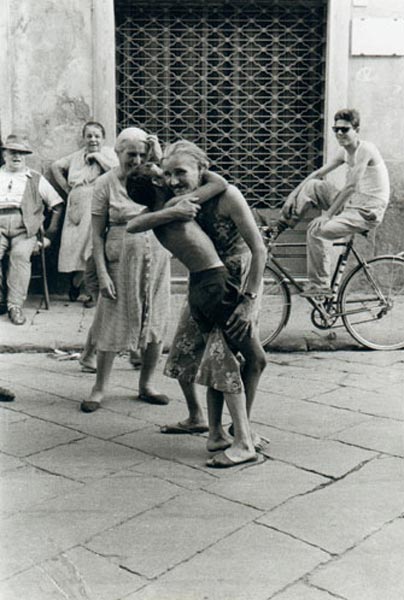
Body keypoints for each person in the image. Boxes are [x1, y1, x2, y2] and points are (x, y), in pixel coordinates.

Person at [126, 141, 267, 468]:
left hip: (232, 285)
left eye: (181, 172)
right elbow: (188, 184)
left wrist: (250, 300)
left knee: (242, 359)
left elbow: (258, 248)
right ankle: (238, 437)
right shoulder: (176, 204)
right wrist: (173, 203)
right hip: (213, 287)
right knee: (221, 360)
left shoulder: (205, 199)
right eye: (169, 174)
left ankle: (221, 432)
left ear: (200, 170)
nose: (173, 179)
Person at [80, 128, 226, 413]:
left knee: (156, 320)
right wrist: (102, 272)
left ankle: (146, 384)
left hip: (156, 258)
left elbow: (197, 181)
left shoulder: (158, 179)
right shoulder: (105, 183)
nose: (135, 159)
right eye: (129, 154)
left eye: (139, 153)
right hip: (119, 260)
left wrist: (159, 157)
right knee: (111, 321)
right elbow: (96, 234)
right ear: (117, 153)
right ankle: (99, 388)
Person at [268, 108, 390, 297]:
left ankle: (320, 285)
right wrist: (293, 194)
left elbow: (350, 186)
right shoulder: (344, 152)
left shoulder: (365, 149)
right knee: (313, 186)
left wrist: (327, 215)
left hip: (368, 210)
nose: (339, 133)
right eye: (336, 129)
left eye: (345, 129)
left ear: (356, 129)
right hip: (352, 203)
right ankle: (278, 227)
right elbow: (317, 174)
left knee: (317, 230)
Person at [51, 120, 118, 304]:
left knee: (90, 244)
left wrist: (97, 157)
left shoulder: (108, 154)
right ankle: (76, 283)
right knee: (74, 246)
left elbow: (115, 172)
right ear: (83, 138)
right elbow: (56, 166)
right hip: (76, 203)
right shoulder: (77, 155)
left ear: (103, 138)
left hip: (95, 202)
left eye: (97, 136)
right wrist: (66, 188)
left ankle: (89, 289)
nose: (93, 139)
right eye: (89, 136)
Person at [0, 133, 63, 325]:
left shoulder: (35, 178)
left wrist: (50, 235)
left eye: (21, 153)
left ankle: (14, 306)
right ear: (4, 154)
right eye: (13, 152)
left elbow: (57, 206)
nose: (17, 157)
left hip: (25, 229)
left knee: (19, 255)